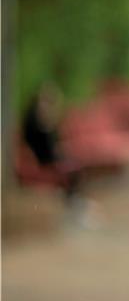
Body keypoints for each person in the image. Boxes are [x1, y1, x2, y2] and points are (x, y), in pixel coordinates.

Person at [21, 83, 100, 229]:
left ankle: (74, 203)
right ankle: (75, 205)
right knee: (72, 170)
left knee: (73, 167)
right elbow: (45, 144)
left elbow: (50, 142)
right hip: (44, 161)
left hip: (47, 158)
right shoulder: (35, 119)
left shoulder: (37, 116)